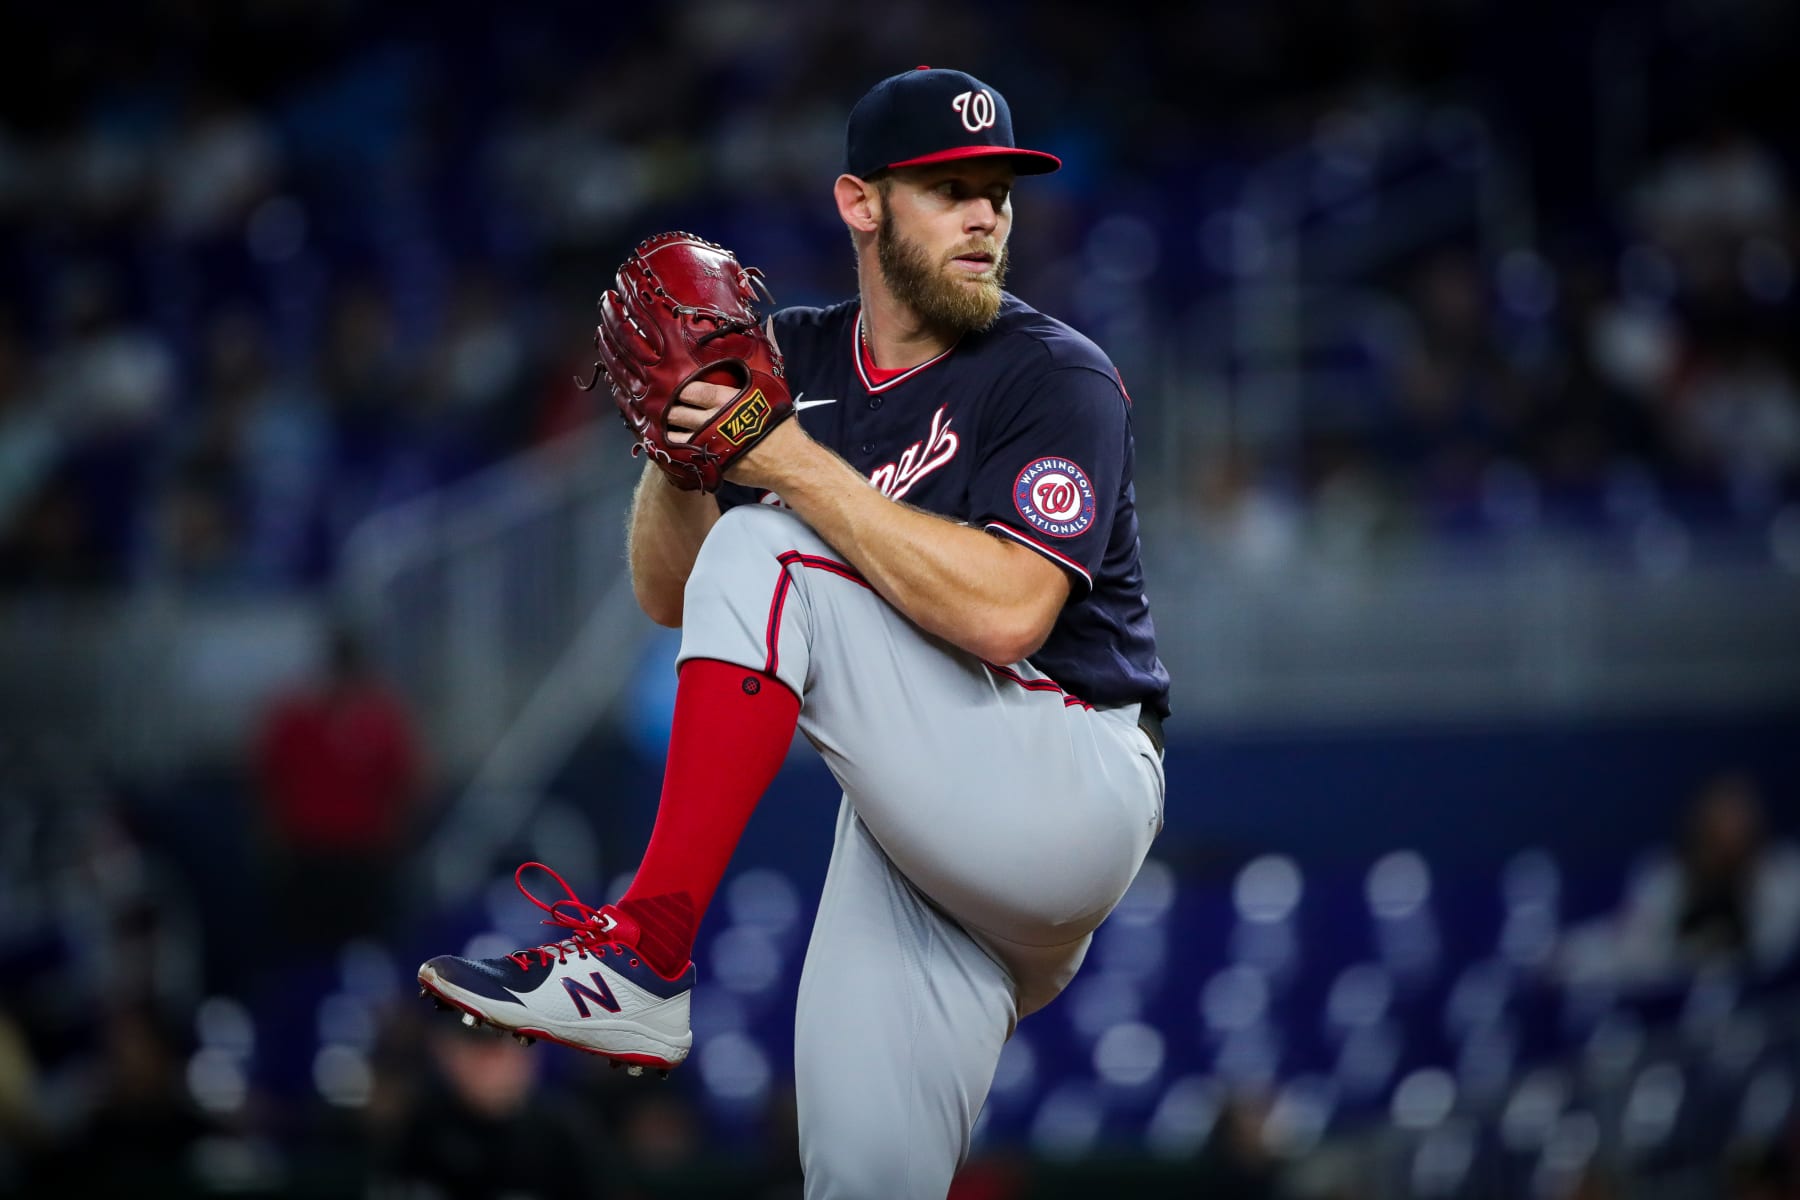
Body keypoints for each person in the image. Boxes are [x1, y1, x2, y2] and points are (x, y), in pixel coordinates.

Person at [419, 66, 1169, 1198]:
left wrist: (784, 465)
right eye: (948, 187)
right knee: (860, 1179)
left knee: (772, 544)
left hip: (1066, 773)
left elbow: (1011, 614)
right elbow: (671, 597)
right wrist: (681, 451)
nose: (986, 217)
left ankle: (647, 948)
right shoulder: (798, 359)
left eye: (999, 193)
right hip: (921, 847)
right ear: (860, 204)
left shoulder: (1052, 373)